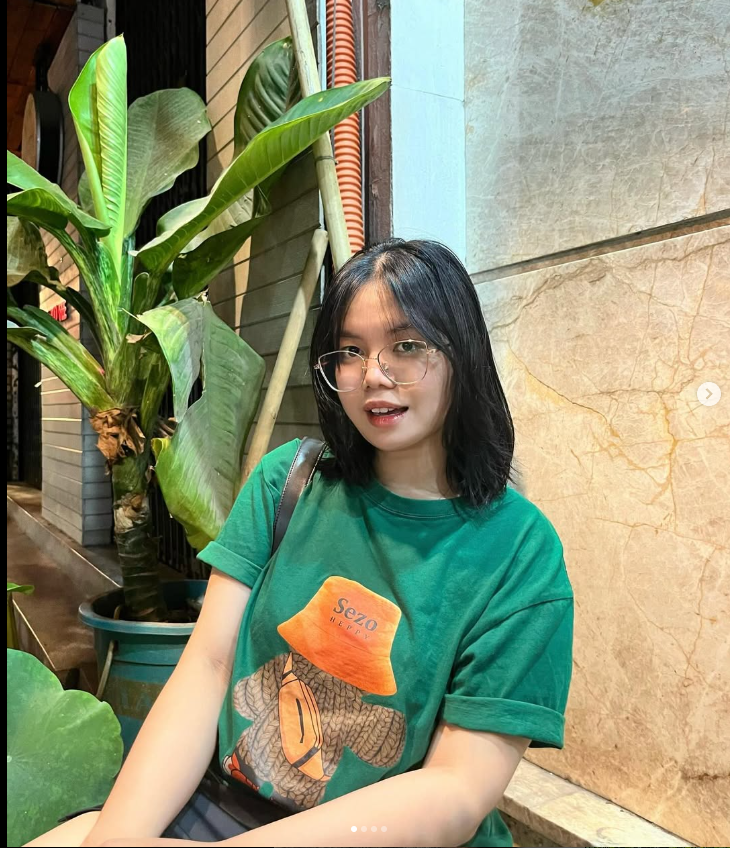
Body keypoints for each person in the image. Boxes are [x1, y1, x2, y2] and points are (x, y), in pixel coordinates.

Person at [27, 238, 574, 848]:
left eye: (407, 346)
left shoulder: (521, 553)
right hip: (229, 806)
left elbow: (456, 792)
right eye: (351, 351)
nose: (374, 375)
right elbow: (208, 666)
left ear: (462, 354)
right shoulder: (289, 480)